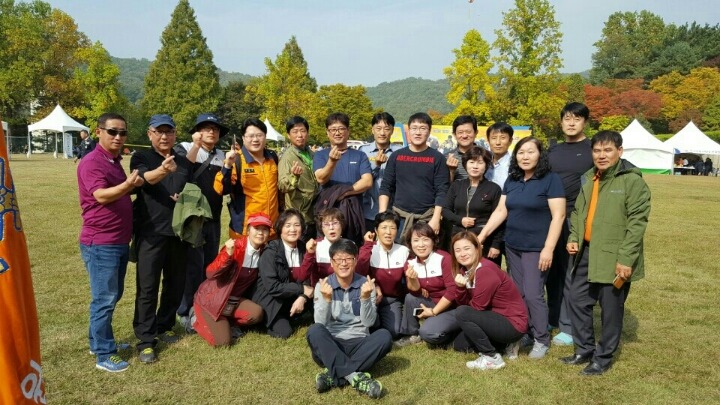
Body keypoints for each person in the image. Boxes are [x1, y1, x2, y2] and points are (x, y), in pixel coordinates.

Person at [562, 131, 651, 376]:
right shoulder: (589, 177)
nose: (602, 155)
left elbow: (637, 223)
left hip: (614, 255)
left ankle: (602, 358)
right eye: (597, 150)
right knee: (577, 300)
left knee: (611, 309)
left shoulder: (631, 181)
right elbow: (578, 212)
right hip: (585, 252)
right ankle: (584, 349)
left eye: (608, 150)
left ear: (619, 152)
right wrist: (573, 237)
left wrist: (626, 259)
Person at [477, 137, 566, 359]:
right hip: (513, 246)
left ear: (540, 155)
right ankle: (525, 331)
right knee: (518, 292)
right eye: (521, 152)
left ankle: (541, 339)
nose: (525, 157)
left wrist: (548, 248)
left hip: (537, 247)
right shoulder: (513, 179)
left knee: (534, 294)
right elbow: (501, 211)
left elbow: (559, 216)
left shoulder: (550, 180)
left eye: (530, 152)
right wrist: (482, 236)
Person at [77, 113, 144, 372]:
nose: (118, 137)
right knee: (104, 299)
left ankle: (97, 341)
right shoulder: (92, 162)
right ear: (98, 132)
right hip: (101, 243)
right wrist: (128, 184)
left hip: (117, 240)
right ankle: (104, 354)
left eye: (122, 133)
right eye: (112, 131)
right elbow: (102, 196)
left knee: (111, 295)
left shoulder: (113, 161)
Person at [130, 114, 192, 363]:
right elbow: (143, 180)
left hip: (179, 233)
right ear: (150, 134)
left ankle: (164, 325)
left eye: (169, 132)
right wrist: (163, 170)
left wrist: (185, 198)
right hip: (151, 232)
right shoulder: (141, 157)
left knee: (175, 283)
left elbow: (191, 190)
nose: (165, 136)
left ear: (175, 134)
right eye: (159, 132)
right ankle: (145, 340)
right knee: (148, 287)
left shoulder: (183, 162)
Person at [306, 239, 392, 399]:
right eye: (339, 259)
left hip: (359, 343)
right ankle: (354, 377)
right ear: (332, 262)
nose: (343, 263)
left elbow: (369, 323)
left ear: (356, 260)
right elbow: (320, 323)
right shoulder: (322, 285)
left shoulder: (366, 284)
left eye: (348, 258)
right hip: (331, 344)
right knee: (314, 330)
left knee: (384, 336)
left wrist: (365, 298)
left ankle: (333, 374)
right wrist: (326, 300)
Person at [174, 113, 229, 329]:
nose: (211, 132)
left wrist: (229, 166)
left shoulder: (222, 155)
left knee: (209, 266)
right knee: (192, 267)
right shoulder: (184, 148)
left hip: (213, 218)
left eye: (215, 129)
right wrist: (196, 146)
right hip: (193, 218)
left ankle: (204, 307)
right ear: (197, 131)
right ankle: (185, 310)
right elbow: (181, 172)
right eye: (206, 128)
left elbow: (225, 186)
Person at [547, 102, 594, 346]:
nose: (571, 123)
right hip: (550, 217)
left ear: (585, 122)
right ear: (561, 121)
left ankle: (568, 325)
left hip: (576, 218)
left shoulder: (592, 149)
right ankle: (552, 317)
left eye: (577, 118)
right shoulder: (553, 150)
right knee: (551, 270)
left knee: (571, 272)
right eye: (567, 118)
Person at [451, 232, 528, 370]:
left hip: (512, 323)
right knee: (460, 345)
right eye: (458, 250)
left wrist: (464, 298)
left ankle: (491, 357)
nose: (462, 254)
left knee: (462, 312)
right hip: (494, 319)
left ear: (477, 248)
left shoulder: (485, 270)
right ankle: (506, 345)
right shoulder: (465, 270)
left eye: (467, 248)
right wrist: (460, 288)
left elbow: (476, 307)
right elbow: (466, 304)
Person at [192, 213, 271, 347]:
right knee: (223, 343)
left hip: (232, 301)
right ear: (248, 230)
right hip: (212, 300)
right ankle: (195, 319)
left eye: (265, 229)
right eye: (256, 228)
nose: (260, 233)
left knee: (257, 314)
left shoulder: (264, 251)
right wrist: (228, 255)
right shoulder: (236, 247)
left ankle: (228, 323)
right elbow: (210, 273)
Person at [379, 112, 449, 238]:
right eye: (414, 128)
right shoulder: (397, 156)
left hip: (426, 219)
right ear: (409, 131)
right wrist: (382, 216)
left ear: (429, 131)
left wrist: (436, 218)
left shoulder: (437, 158)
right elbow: (386, 186)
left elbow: (442, 190)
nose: (418, 132)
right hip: (399, 218)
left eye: (423, 128)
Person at [394, 221, 458, 347]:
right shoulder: (410, 262)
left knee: (428, 333)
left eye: (425, 239)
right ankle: (411, 334)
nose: (421, 245)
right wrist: (413, 280)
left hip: (450, 306)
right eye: (416, 240)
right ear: (410, 243)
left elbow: (452, 291)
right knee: (410, 298)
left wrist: (433, 311)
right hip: (430, 301)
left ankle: (451, 333)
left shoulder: (444, 258)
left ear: (434, 241)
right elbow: (414, 292)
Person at [253, 209, 313, 338]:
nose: (292, 229)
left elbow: (308, 278)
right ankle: (264, 321)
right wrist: (302, 289)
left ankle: (294, 315)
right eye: (288, 225)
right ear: (280, 228)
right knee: (285, 332)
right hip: (272, 300)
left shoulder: (304, 248)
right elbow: (273, 287)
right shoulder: (270, 252)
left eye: (297, 225)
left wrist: (302, 297)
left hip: (292, 296)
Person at [313, 112, 372, 244]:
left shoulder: (359, 155)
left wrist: (343, 193)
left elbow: (367, 181)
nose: (337, 132)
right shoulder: (320, 155)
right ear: (327, 132)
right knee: (327, 250)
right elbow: (321, 178)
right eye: (333, 129)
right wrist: (332, 161)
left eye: (341, 128)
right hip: (328, 215)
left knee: (351, 248)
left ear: (348, 131)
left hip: (353, 214)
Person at [442, 146, 503, 266]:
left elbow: (499, 219)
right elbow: (445, 210)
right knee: (459, 272)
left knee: (484, 273)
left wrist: (496, 245)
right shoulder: (456, 186)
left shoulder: (494, 188)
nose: (475, 166)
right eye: (471, 162)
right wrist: (460, 220)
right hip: (459, 239)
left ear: (486, 166)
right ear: (465, 164)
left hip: (484, 240)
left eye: (480, 162)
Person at [357, 212, 410, 339]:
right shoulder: (368, 249)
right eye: (384, 227)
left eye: (392, 228)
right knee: (370, 327)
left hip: (392, 300)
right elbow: (359, 272)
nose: (388, 232)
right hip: (371, 297)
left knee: (395, 332)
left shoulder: (403, 251)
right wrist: (367, 245)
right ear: (376, 230)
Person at [223, 118, 280, 238]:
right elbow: (221, 189)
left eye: (259, 135)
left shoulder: (273, 158)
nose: (255, 139)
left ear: (265, 137)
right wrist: (227, 166)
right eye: (251, 136)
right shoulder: (236, 160)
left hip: (272, 229)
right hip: (246, 231)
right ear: (243, 138)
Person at [359, 112, 402, 233]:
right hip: (368, 210)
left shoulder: (400, 152)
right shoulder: (363, 151)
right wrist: (376, 165)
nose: (382, 133)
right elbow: (361, 180)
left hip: (394, 211)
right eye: (378, 128)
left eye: (386, 129)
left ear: (392, 130)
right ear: (372, 130)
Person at [278, 116, 318, 241]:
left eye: (303, 131)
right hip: (299, 217)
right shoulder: (287, 157)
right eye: (295, 132)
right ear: (288, 135)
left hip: (314, 214)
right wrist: (293, 176)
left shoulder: (312, 154)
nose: (300, 135)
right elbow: (282, 186)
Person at [445, 115, 479, 183]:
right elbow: (444, 186)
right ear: (454, 135)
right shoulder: (446, 158)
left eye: (468, 132)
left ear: (476, 133)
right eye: (460, 132)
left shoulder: (486, 157)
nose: (464, 136)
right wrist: (451, 172)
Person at [484, 122, 513, 189]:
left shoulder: (514, 165)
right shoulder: (483, 162)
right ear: (488, 140)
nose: (498, 143)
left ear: (510, 140)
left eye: (503, 138)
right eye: (494, 138)